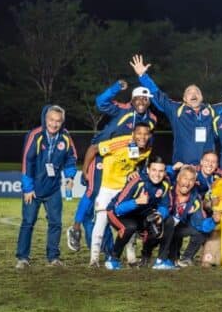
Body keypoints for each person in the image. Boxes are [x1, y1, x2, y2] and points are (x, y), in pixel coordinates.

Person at [66, 80, 157, 253]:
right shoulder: (123, 110)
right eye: (137, 98)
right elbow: (101, 103)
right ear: (132, 99)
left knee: (123, 198)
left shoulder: (151, 119)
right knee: (93, 191)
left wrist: (137, 166)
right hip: (102, 154)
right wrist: (115, 88)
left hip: (123, 163)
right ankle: (75, 229)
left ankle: (128, 234)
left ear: (149, 101)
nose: (141, 102)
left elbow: (144, 144)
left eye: (145, 99)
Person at [130, 54, 222, 165]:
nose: (194, 94)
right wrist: (143, 76)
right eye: (189, 92)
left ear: (202, 97)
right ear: (184, 98)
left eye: (197, 92)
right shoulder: (176, 110)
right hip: (183, 166)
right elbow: (157, 95)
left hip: (207, 167)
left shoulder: (210, 110)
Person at [16, 105, 78, 269]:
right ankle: (22, 258)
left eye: (58, 121)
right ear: (45, 119)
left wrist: (70, 176)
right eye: (51, 120)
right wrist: (28, 188)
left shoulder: (65, 137)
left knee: (56, 224)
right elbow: (26, 161)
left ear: (62, 122)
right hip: (34, 189)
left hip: (53, 189)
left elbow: (71, 158)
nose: (54, 124)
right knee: (28, 222)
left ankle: (53, 258)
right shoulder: (35, 135)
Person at [89, 123, 153, 267]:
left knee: (128, 223)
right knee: (101, 221)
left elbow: (136, 164)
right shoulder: (120, 143)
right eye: (139, 133)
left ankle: (131, 259)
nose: (142, 136)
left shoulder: (147, 149)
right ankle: (93, 259)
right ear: (133, 133)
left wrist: (134, 172)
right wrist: (86, 172)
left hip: (124, 190)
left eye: (146, 134)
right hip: (107, 188)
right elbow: (93, 149)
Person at [105, 157, 171, 270]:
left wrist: (160, 214)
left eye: (161, 171)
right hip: (117, 213)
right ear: (148, 170)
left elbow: (164, 205)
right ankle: (113, 259)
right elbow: (117, 208)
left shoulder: (165, 184)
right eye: (154, 170)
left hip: (140, 215)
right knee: (129, 227)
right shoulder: (137, 181)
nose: (157, 174)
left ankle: (157, 260)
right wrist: (136, 202)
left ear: (164, 172)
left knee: (167, 221)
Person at [153, 165, 216, 269]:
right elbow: (158, 173)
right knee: (169, 222)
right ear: (178, 178)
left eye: (191, 180)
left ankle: (185, 258)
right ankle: (150, 257)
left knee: (200, 232)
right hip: (159, 226)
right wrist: (172, 168)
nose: (187, 183)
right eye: (185, 178)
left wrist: (214, 220)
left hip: (176, 229)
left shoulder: (194, 200)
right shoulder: (167, 189)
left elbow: (199, 223)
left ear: (195, 182)